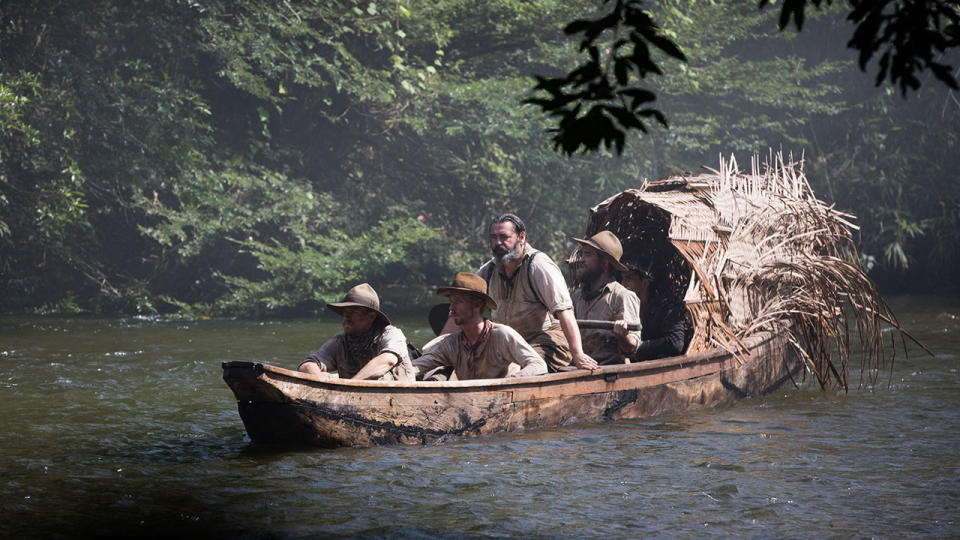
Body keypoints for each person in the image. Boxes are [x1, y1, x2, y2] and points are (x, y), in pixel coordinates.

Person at [476, 213, 597, 372]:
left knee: (520, 369)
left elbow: (565, 311)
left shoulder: (538, 265)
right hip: (510, 344)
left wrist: (578, 354)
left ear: (522, 237)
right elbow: (461, 306)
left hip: (547, 340)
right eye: (493, 237)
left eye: (504, 237)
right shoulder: (489, 270)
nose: (498, 243)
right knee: (474, 365)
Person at [413, 272, 547, 380]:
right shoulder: (451, 344)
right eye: (451, 302)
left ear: (477, 305)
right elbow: (417, 366)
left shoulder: (502, 335)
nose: (451, 308)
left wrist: (512, 380)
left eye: (458, 302)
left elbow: (538, 365)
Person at [298, 283, 415, 381]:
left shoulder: (391, 334)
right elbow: (307, 364)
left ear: (371, 317)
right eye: (345, 313)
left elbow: (387, 360)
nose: (346, 318)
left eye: (354, 313)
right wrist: (321, 385)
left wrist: (350, 386)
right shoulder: (341, 342)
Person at [570, 231, 643, 365]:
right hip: (579, 368)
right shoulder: (577, 297)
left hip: (609, 374)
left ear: (604, 262)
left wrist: (624, 336)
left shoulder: (622, 297)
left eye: (588, 254)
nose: (581, 260)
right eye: (582, 254)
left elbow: (632, 348)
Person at [614, 258, 694, 361]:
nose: (623, 284)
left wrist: (640, 346)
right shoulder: (626, 306)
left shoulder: (665, 308)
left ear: (644, 283)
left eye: (629, 279)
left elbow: (676, 342)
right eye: (622, 279)